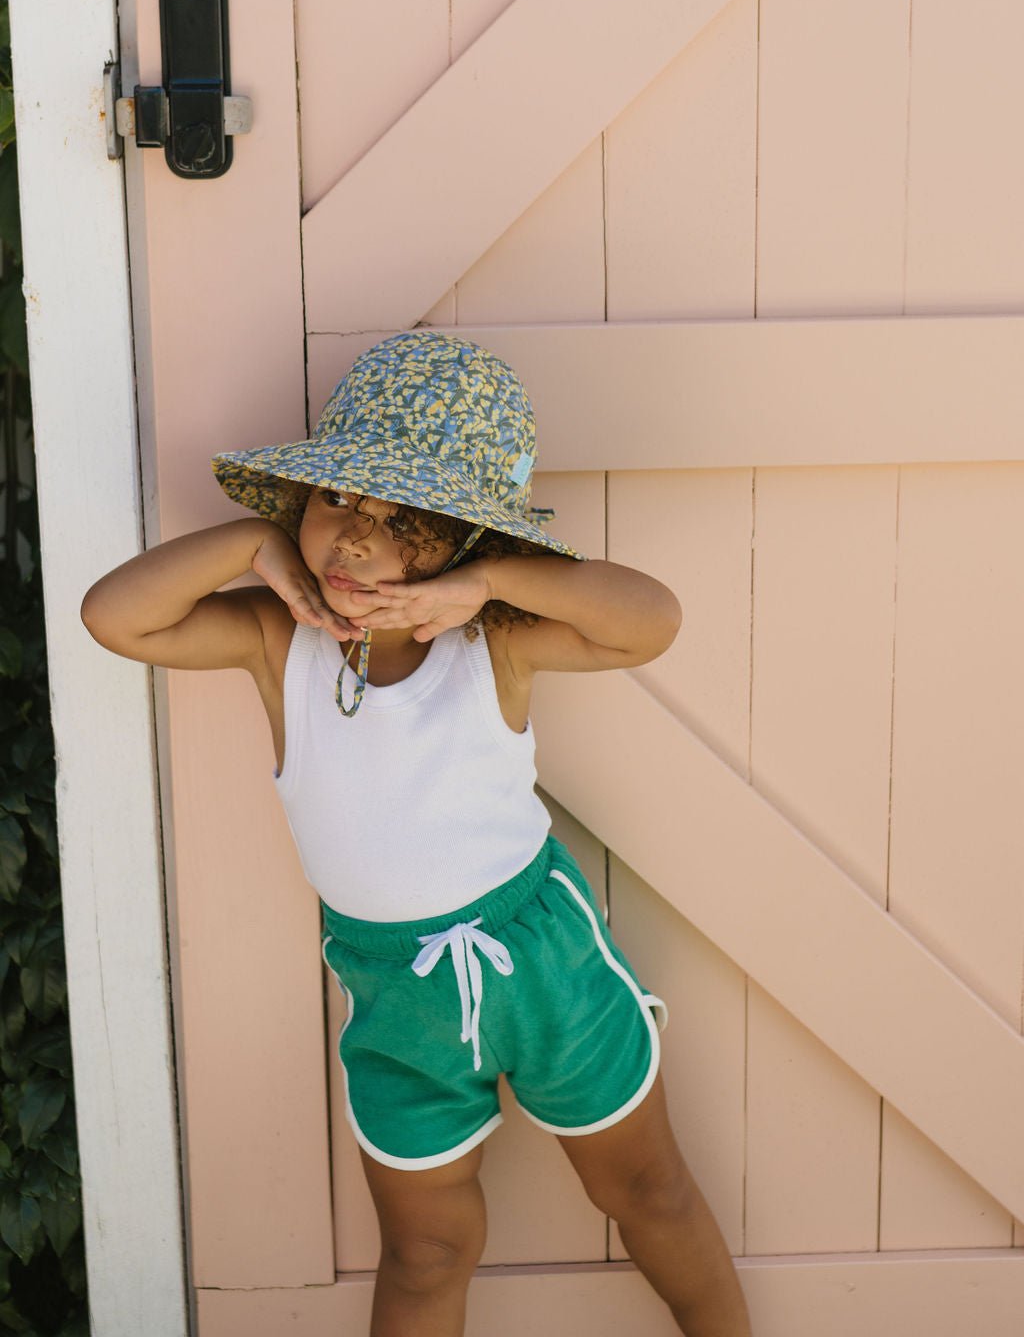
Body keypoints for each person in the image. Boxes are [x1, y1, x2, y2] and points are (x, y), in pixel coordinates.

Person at [81, 330, 752, 1337]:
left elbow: (647, 619)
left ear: (463, 542)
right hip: (396, 991)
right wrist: (250, 546)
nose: (356, 539)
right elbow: (114, 618)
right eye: (337, 500)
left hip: (542, 960)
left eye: (405, 519)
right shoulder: (277, 639)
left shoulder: (493, 642)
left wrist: (487, 586)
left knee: (647, 1191)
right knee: (426, 1250)